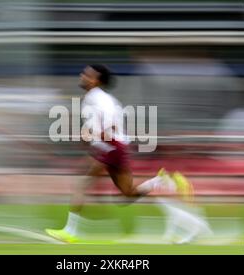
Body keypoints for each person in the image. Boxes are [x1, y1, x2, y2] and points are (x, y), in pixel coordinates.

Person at [46, 64, 211, 244]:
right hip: (115, 146)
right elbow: (98, 125)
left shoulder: (99, 99)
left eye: (87, 74)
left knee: (82, 183)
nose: (82, 76)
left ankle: (70, 232)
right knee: (127, 194)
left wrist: (92, 135)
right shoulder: (94, 98)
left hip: (111, 146)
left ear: (96, 80)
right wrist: (87, 136)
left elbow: (110, 127)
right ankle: (161, 180)